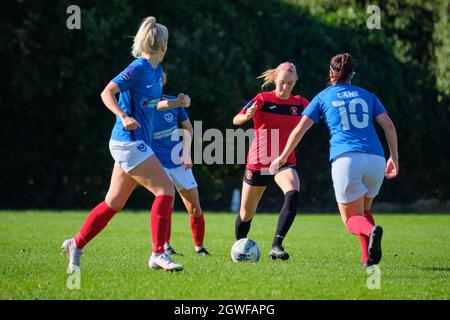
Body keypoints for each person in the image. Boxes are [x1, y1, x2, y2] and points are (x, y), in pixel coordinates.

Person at [61, 16, 191, 272]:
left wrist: (174, 103)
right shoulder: (139, 68)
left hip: (134, 143)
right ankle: (157, 253)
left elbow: (149, 105)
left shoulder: (155, 72)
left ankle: (76, 244)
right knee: (165, 190)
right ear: (163, 46)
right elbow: (106, 92)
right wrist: (123, 116)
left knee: (114, 203)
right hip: (128, 141)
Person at [270, 53, 399, 267]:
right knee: (364, 211)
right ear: (352, 74)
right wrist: (393, 158)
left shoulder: (322, 97)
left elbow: (299, 131)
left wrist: (283, 157)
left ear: (331, 73)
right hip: (376, 158)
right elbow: (389, 126)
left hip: (346, 160)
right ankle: (367, 260)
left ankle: (371, 231)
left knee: (351, 220)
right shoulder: (368, 95)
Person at [232, 62, 309, 260]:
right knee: (245, 214)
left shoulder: (301, 104)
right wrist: (247, 115)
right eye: (282, 82)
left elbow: (319, 115)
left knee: (293, 192)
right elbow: (236, 119)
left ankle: (276, 245)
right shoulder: (262, 99)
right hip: (258, 162)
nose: (285, 88)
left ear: (295, 83)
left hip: (284, 161)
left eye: (290, 84)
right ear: (275, 79)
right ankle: (239, 249)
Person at [151, 73, 209, 256]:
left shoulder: (173, 103)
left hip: (178, 161)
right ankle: (165, 246)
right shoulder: (143, 106)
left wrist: (186, 153)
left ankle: (199, 248)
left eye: (159, 82)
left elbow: (189, 129)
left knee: (194, 207)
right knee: (166, 203)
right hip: (157, 164)